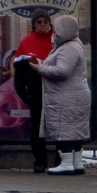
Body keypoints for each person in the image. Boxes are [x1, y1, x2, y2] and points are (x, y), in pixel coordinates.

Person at [29, 15, 91, 176]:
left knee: (66, 130)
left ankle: (67, 164)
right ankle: (77, 163)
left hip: (67, 96)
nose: (54, 31)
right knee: (75, 130)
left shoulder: (69, 48)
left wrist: (41, 69)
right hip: (75, 94)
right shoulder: (74, 44)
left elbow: (62, 71)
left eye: (57, 28)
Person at [6, 11, 56, 172]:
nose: (42, 25)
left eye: (45, 21)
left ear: (49, 23)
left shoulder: (57, 40)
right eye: (39, 22)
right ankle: (40, 161)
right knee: (36, 129)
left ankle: (60, 160)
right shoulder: (26, 42)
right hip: (35, 92)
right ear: (33, 24)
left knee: (58, 127)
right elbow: (19, 71)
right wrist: (22, 92)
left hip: (56, 91)